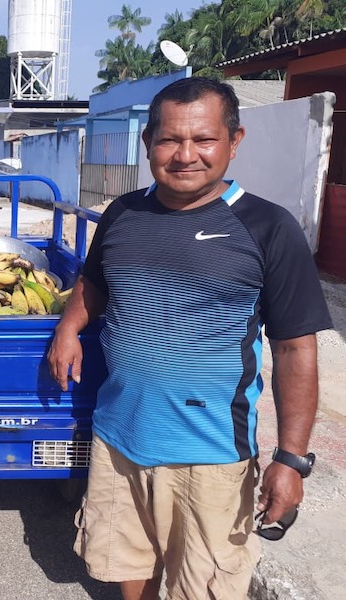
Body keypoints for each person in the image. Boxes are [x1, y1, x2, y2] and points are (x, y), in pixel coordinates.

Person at [47, 77, 332, 600]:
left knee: (201, 587)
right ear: (147, 143)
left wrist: (291, 460)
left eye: (203, 140)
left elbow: (295, 348)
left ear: (234, 141)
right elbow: (93, 281)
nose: (185, 156)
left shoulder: (269, 228)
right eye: (169, 140)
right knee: (128, 571)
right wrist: (69, 325)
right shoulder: (123, 214)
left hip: (210, 455)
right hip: (119, 440)